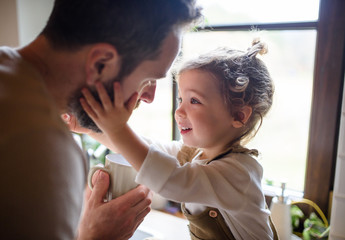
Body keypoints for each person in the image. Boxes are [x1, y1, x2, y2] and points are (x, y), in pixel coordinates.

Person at [0, 0, 202, 239]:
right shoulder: (42, 146)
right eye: (148, 78)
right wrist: (95, 236)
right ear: (100, 64)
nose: (149, 97)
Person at [77, 39, 278, 239]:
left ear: (238, 116)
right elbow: (149, 149)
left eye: (194, 101)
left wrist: (118, 128)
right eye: (180, 99)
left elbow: (174, 180)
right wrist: (89, 129)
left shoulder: (238, 174)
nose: (179, 111)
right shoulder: (197, 154)